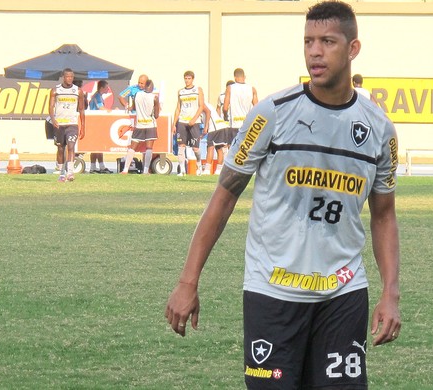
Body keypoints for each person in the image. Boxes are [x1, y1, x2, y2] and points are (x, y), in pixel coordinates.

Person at [165, 1, 401, 389]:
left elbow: (384, 215)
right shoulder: (271, 114)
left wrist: (391, 293)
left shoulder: (379, 129)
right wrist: (188, 281)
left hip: (342, 293)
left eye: (327, 41)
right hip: (272, 290)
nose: (315, 51)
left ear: (353, 49)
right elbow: (224, 195)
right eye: (308, 41)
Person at [49, 68, 86, 182]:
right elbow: (51, 107)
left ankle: (70, 172)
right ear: (63, 77)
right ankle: (61, 171)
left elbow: (81, 109)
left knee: (71, 146)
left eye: (72, 77)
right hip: (59, 125)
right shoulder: (56, 90)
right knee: (61, 148)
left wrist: (83, 126)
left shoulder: (78, 91)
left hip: (72, 124)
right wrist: (53, 119)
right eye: (67, 77)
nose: (70, 79)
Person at [120, 80, 160, 174]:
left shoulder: (137, 94)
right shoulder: (154, 97)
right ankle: (145, 170)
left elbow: (133, 108)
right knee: (149, 148)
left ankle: (125, 169)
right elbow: (157, 115)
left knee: (132, 147)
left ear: (145, 86)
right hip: (150, 125)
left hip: (139, 124)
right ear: (151, 88)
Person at [172, 70, 205, 176]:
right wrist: (174, 124)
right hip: (182, 121)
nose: (187, 80)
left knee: (195, 147)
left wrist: (194, 119)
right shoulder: (181, 92)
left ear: (192, 79)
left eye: (189, 78)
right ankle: (182, 170)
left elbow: (201, 106)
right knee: (181, 145)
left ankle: (199, 165)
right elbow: (178, 108)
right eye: (185, 78)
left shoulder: (198, 90)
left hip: (194, 122)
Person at [223, 68, 258, 147]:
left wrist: (225, 116)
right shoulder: (252, 89)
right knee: (246, 148)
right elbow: (257, 107)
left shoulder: (230, 88)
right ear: (244, 77)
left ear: (235, 77)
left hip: (235, 125)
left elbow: (225, 107)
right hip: (247, 124)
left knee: (233, 149)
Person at [87, 80, 113, 174]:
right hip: (95, 124)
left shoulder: (99, 96)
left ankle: (99, 166)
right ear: (101, 88)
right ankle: (94, 167)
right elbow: (101, 108)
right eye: (106, 87)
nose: (108, 89)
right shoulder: (97, 96)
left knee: (98, 145)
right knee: (96, 146)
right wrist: (111, 111)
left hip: (97, 123)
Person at [201, 102, 229, 175]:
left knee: (210, 147)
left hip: (214, 127)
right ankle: (218, 171)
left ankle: (207, 170)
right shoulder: (208, 103)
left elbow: (208, 112)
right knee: (219, 148)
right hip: (221, 125)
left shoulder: (201, 104)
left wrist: (206, 127)